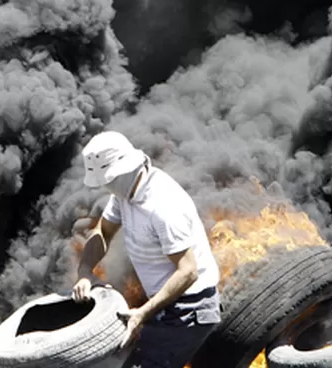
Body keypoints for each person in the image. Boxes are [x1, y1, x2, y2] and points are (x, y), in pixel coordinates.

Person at [72, 131, 222, 368]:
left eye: (109, 179)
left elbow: (188, 271)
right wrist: (85, 271)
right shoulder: (124, 191)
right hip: (166, 304)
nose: (106, 187)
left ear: (127, 167)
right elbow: (104, 230)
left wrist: (143, 313)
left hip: (189, 309)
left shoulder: (163, 206)